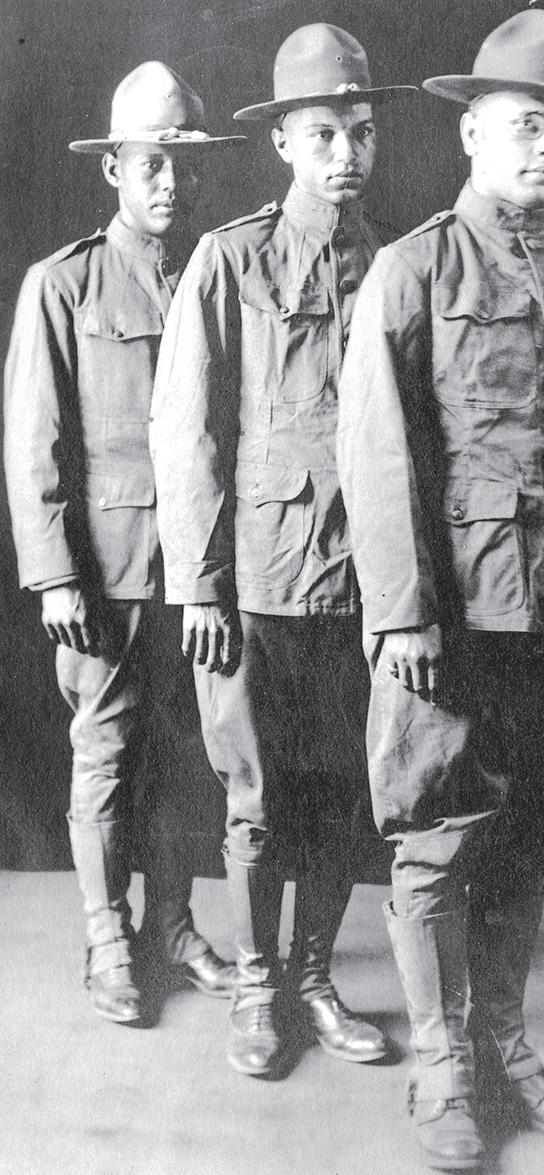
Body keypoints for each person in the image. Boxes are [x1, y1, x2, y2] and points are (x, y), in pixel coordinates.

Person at [337, 10, 544, 1171]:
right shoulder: (413, 269)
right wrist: (401, 611)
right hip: (457, 615)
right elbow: (376, 453)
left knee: (531, 831)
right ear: (470, 132)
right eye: (524, 123)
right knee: (438, 838)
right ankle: (441, 1061)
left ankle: (504, 1045)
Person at [150, 24, 416, 1077]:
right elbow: (186, 432)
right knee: (257, 799)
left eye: (360, 131)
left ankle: (311, 975)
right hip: (256, 582)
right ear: (282, 144)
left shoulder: (393, 263)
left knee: (343, 794)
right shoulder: (230, 259)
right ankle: (258, 984)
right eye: (323, 134)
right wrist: (198, 587)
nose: (345, 152)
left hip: (360, 583)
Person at [4, 62, 246, 1025]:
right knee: (105, 751)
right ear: (113, 167)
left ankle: (173, 928)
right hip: (105, 570)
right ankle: (108, 937)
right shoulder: (62, 284)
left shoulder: (216, 275)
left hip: (200, 570)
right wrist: (54, 575)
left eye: (184, 163)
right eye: (151, 162)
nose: (170, 182)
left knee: (184, 754)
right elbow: (34, 442)